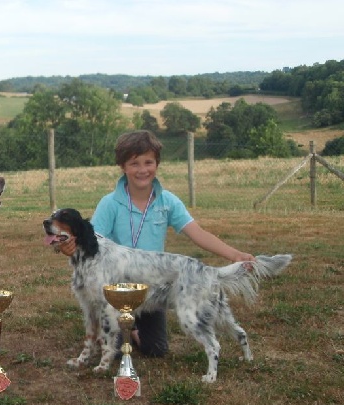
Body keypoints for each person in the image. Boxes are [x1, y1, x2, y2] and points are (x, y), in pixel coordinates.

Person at [59, 130, 255, 357]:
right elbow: (90, 243)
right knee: (113, 349)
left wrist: (235, 255)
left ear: (157, 164)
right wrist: (68, 248)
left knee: (156, 350)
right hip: (115, 291)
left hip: (154, 290)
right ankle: (123, 328)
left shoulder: (168, 201)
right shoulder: (110, 203)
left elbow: (198, 233)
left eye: (148, 162)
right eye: (134, 163)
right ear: (123, 167)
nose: (142, 170)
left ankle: (135, 331)